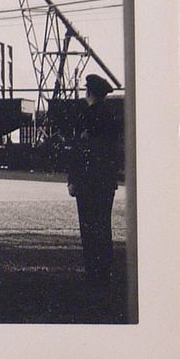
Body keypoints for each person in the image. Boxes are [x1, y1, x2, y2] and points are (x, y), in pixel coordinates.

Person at [66, 73, 122, 284]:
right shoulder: (111, 117)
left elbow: (78, 151)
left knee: (88, 228)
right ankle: (104, 270)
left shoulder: (86, 116)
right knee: (103, 227)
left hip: (87, 182)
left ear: (89, 92)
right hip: (105, 182)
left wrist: (72, 180)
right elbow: (113, 150)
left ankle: (93, 271)